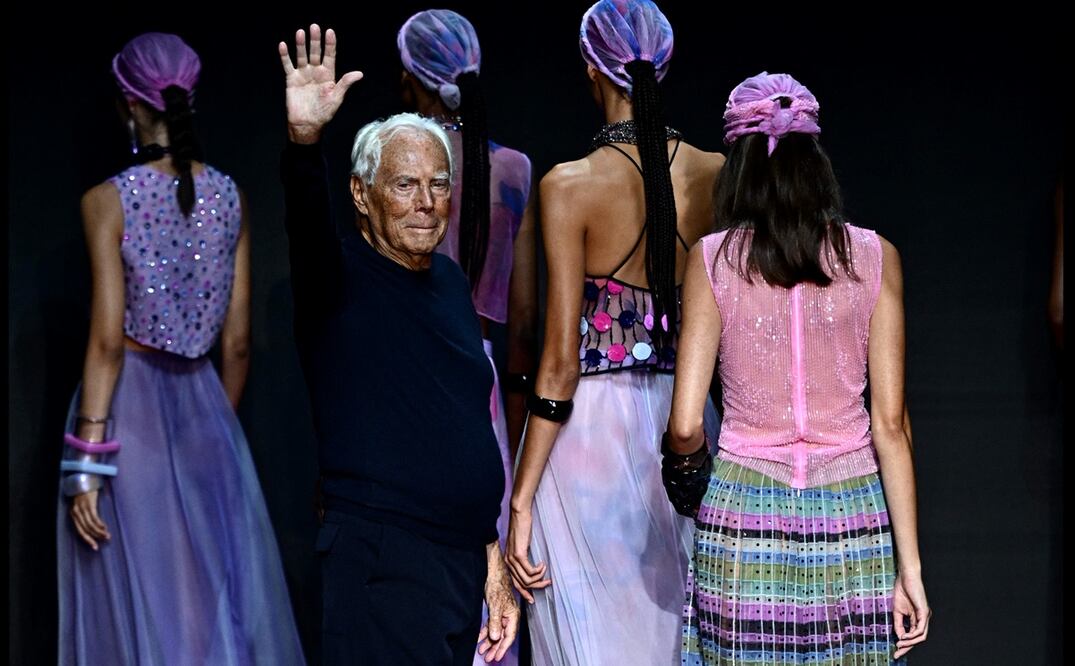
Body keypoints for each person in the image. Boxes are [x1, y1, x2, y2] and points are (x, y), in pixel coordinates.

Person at [662, 71, 931, 664]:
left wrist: (686, 476)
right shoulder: (874, 256)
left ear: (739, 166)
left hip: (742, 510)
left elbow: (685, 423)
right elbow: (891, 427)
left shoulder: (713, 260)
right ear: (815, 160)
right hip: (853, 516)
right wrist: (909, 568)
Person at [57, 32, 305, 664]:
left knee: (146, 601)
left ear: (127, 103)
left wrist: (85, 459)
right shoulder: (231, 197)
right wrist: (212, 423)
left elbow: (108, 342)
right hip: (207, 411)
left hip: (127, 415)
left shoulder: (107, 201)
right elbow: (239, 343)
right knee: (207, 599)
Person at [277, 25, 518, 664]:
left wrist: (490, 560)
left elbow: (461, 423)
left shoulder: (447, 281)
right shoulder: (337, 279)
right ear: (362, 194)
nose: (426, 203)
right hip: (382, 562)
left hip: (458, 562)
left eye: (438, 184)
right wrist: (305, 144)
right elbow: (305, 222)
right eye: (405, 185)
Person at [504, 2, 723, 663]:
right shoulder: (715, 173)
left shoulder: (568, 185)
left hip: (587, 443)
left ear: (588, 68)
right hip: (689, 426)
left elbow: (558, 367)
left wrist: (518, 500)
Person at [396, 13, 538, 663]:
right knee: (483, 555)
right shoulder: (511, 169)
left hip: (405, 376)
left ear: (408, 83)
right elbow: (519, 321)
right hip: (481, 385)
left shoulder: (393, 172)